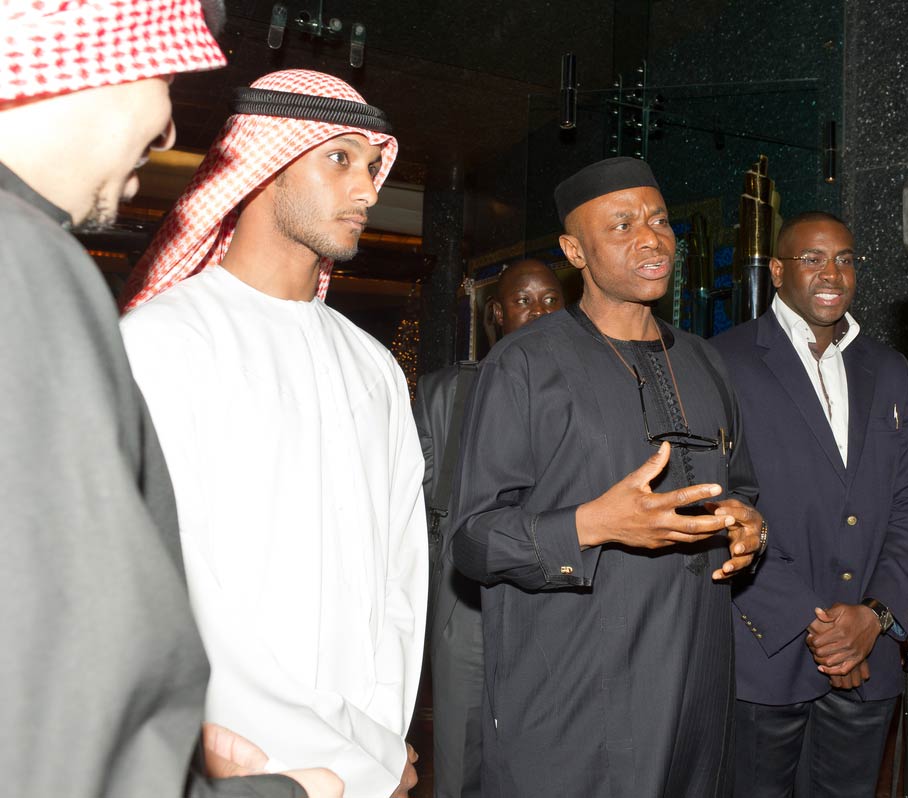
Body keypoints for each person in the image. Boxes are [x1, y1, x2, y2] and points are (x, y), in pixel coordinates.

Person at [0, 2, 337, 797]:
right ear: (81, 62)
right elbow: (59, 715)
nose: (165, 131)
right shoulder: (24, 263)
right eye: (163, 77)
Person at [119, 68, 427, 797]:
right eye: (341, 159)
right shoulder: (163, 342)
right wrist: (327, 761)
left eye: (374, 166)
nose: (369, 190)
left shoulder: (373, 365)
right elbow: (178, 588)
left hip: (368, 758)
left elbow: (402, 575)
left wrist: (376, 744)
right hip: (235, 765)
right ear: (264, 167)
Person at [450, 156, 764, 797]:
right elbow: (473, 539)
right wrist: (590, 525)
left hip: (696, 691)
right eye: (621, 226)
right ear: (575, 250)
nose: (650, 238)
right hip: (578, 694)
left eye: (658, 220)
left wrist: (748, 525)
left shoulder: (707, 362)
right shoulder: (524, 364)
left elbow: (744, 488)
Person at [710, 211, 908, 797]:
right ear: (778, 271)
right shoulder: (721, 362)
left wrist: (874, 616)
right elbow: (718, 507)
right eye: (812, 259)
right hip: (766, 653)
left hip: (870, 651)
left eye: (846, 259)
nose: (832, 272)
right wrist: (824, 632)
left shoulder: (888, 369)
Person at [414, 258, 564, 798]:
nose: (541, 312)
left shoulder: (589, 390)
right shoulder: (444, 393)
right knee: (461, 760)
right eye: (525, 301)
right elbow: (413, 502)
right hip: (469, 603)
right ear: (497, 314)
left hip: (558, 605)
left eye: (551, 300)